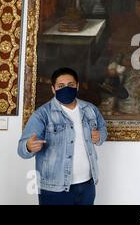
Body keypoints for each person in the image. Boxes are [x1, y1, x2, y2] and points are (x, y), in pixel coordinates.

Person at [17, 67, 108, 205]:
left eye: (70, 85)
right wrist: (28, 147)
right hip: (54, 188)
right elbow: (22, 149)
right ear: (53, 89)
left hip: (87, 184)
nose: (66, 89)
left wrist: (100, 136)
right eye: (61, 86)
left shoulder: (90, 109)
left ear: (77, 86)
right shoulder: (42, 114)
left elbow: (103, 129)